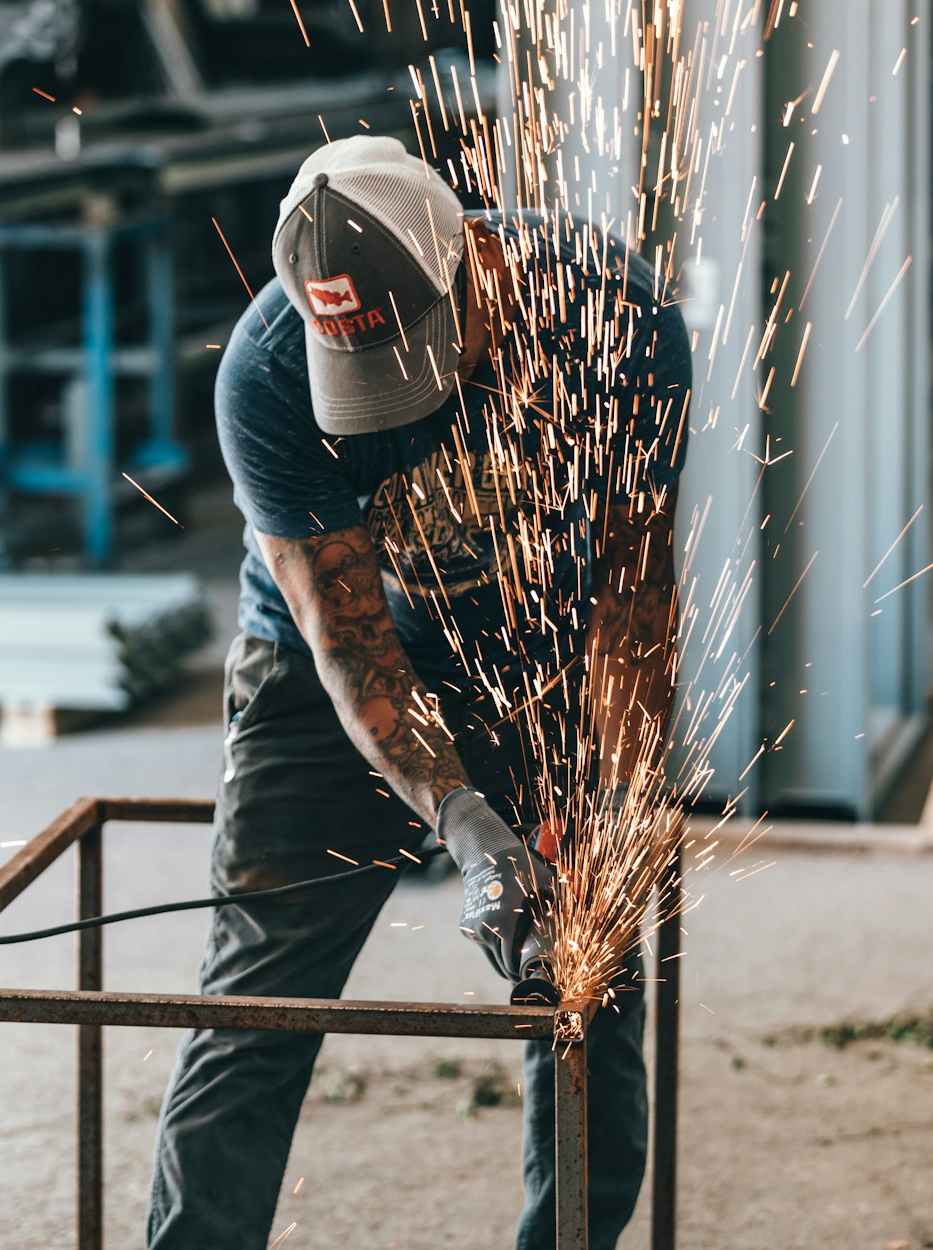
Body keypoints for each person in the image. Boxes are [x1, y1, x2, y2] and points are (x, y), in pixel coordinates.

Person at [147, 134, 690, 1250]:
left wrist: (616, 803)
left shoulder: (616, 323)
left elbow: (634, 606)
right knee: (254, 996)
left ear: (472, 257)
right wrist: (470, 824)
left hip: (547, 654)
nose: (390, 403)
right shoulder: (262, 376)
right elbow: (350, 653)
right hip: (329, 673)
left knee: (589, 982)